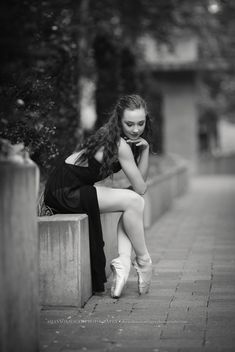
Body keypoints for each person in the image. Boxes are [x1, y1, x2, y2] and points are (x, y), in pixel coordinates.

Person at [44, 94, 152, 299]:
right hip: (65, 191)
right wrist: (143, 153)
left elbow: (140, 183)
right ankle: (142, 260)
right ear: (119, 120)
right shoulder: (119, 144)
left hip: (69, 189)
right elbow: (141, 188)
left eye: (141, 123)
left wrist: (145, 150)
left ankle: (122, 262)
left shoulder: (122, 140)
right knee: (134, 200)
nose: (136, 129)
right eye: (129, 124)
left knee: (132, 202)